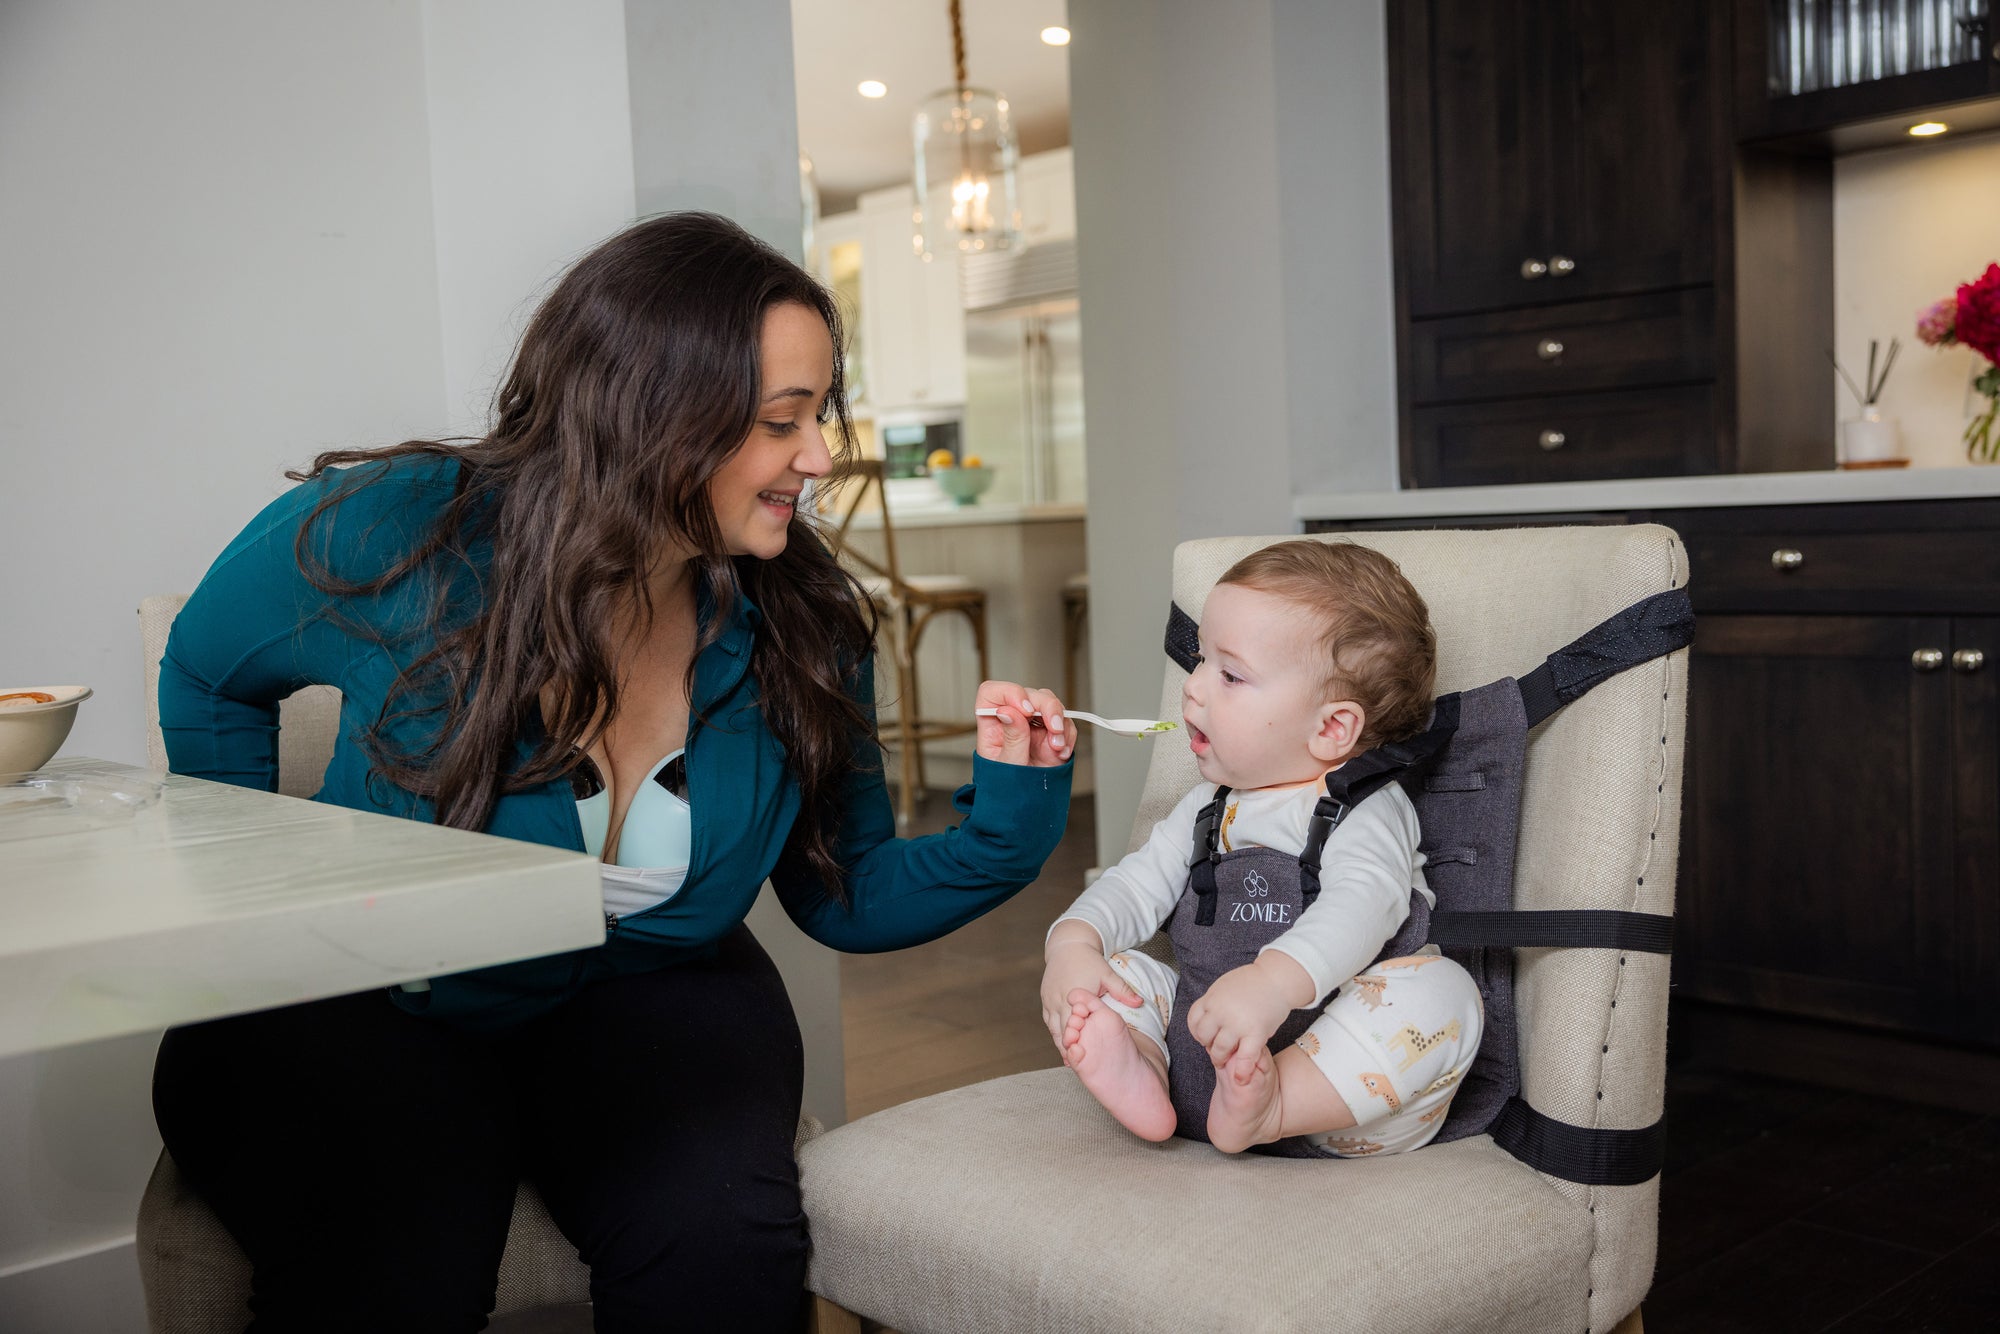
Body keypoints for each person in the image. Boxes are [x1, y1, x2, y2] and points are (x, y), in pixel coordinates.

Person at [151, 211, 1076, 1333]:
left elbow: (845, 887)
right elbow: (208, 664)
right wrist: (255, 880)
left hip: (648, 993)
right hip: (379, 987)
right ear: (656, 417)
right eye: (784, 421)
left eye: (818, 415)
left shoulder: (802, 617)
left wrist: (1015, 812)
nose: (822, 456)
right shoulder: (405, 532)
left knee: (724, 1245)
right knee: (402, 1252)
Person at [1038, 539, 1482, 1158]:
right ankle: (1140, 1064)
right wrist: (1074, 943)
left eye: (1230, 673)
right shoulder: (1209, 806)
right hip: (1203, 1049)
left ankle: (1277, 1104)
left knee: (1443, 995)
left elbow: (1364, 903)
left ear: (1331, 728)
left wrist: (1272, 985)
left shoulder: (1364, 807)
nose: (1192, 689)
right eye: (1199, 661)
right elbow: (1136, 884)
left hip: (1339, 1101)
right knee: (1117, 973)